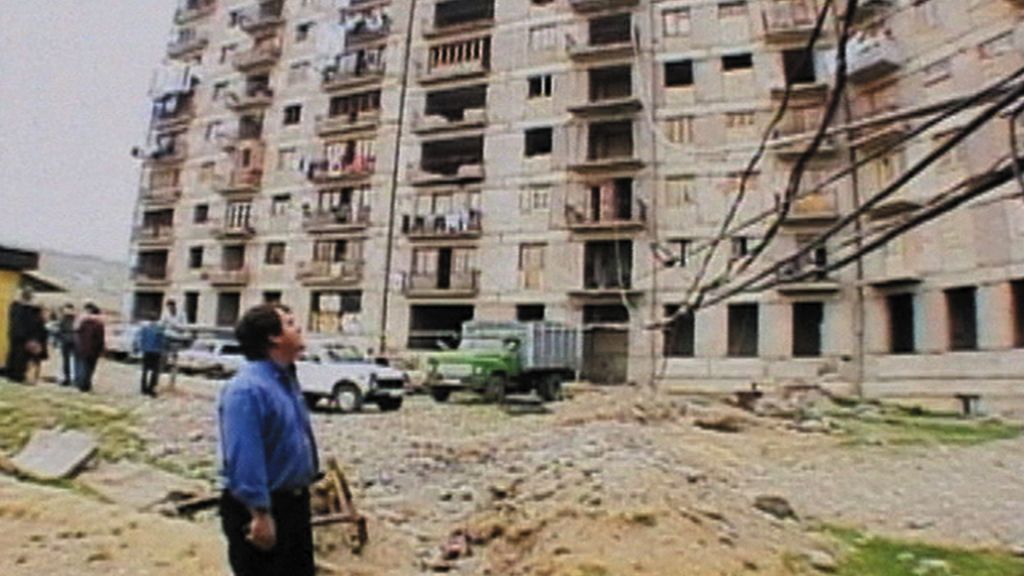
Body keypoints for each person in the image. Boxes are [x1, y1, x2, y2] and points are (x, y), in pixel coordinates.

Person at [217, 304, 319, 576]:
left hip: (294, 505)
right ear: (273, 337)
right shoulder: (247, 389)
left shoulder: (285, 380)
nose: (298, 327)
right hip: (263, 508)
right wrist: (260, 514)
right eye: (289, 322)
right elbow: (244, 457)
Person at [5, 287, 36, 382]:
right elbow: (29, 323)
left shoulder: (14, 306)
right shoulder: (28, 309)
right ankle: (17, 375)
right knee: (20, 356)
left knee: (13, 354)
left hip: (14, 334)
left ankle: (11, 373)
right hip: (23, 336)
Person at [74, 302, 105, 392]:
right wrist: (101, 349)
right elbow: (100, 338)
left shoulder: (83, 322)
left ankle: (81, 384)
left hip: (82, 348)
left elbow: (77, 333)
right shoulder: (99, 325)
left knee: (82, 366)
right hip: (94, 350)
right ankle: (86, 385)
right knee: (90, 368)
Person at [135, 314, 166, 397]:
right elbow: (162, 341)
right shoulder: (159, 329)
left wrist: (141, 348)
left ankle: (143, 388)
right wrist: (161, 350)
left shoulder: (145, 329)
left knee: (145, 371)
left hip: (146, 351)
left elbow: (141, 339)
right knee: (154, 372)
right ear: (157, 320)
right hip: (156, 352)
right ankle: (151, 389)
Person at [23, 304, 48, 384]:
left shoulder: (28, 321)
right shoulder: (41, 321)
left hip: (29, 342)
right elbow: (43, 333)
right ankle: (35, 378)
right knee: (37, 361)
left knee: (29, 361)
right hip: (38, 343)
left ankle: (27, 377)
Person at [55, 303, 77, 386]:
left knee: (66, 361)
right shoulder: (75, 318)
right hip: (73, 341)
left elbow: (60, 330)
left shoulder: (64, 319)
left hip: (66, 341)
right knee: (70, 361)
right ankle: (70, 378)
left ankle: (67, 378)